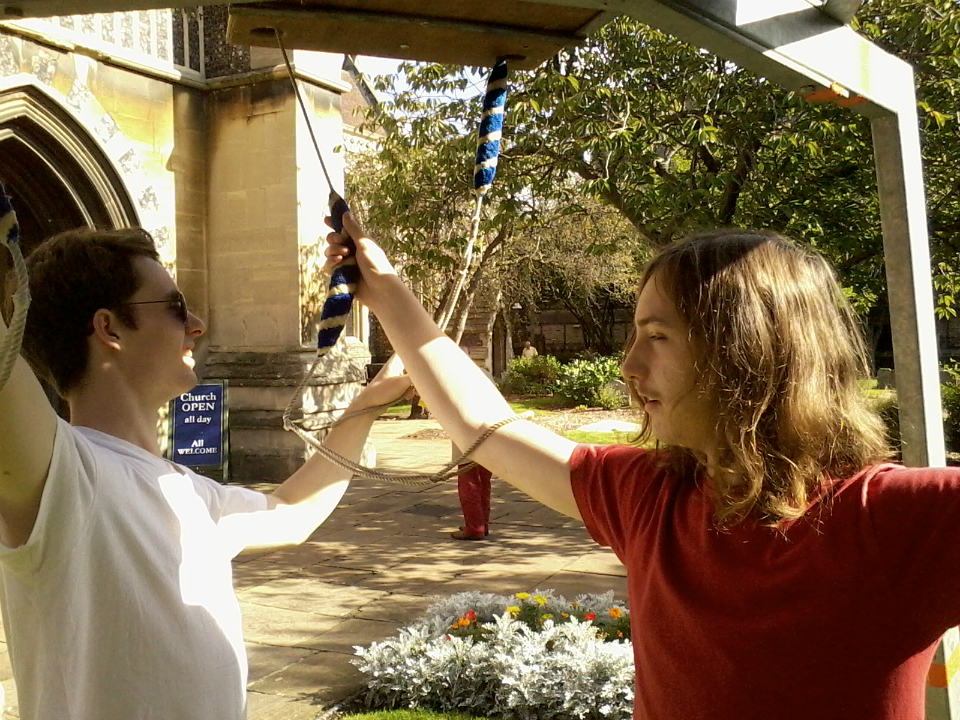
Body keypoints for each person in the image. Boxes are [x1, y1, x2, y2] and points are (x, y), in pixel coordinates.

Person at [326, 212, 960, 720]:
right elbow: (487, 428)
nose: (629, 367)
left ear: (747, 351)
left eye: (657, 336)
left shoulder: (899, 520)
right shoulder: (648, 496)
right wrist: (381, 289)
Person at [0, 186, 410, 720]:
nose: (197, 325)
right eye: (175, 307)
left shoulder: (190, 491)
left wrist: (370, 401)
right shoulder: (60, 475)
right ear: (108, 328)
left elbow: (294, 513)